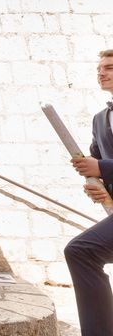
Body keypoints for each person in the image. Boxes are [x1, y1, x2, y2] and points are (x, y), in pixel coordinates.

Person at [66, 49, 113, 336]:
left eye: (109, 67)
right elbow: (97, 162)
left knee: (82, 250)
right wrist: (99, 189)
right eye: (99, 68)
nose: (101, 72)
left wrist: (101, 168)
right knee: (83, 251)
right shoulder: (99, 119)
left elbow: (102, 164)